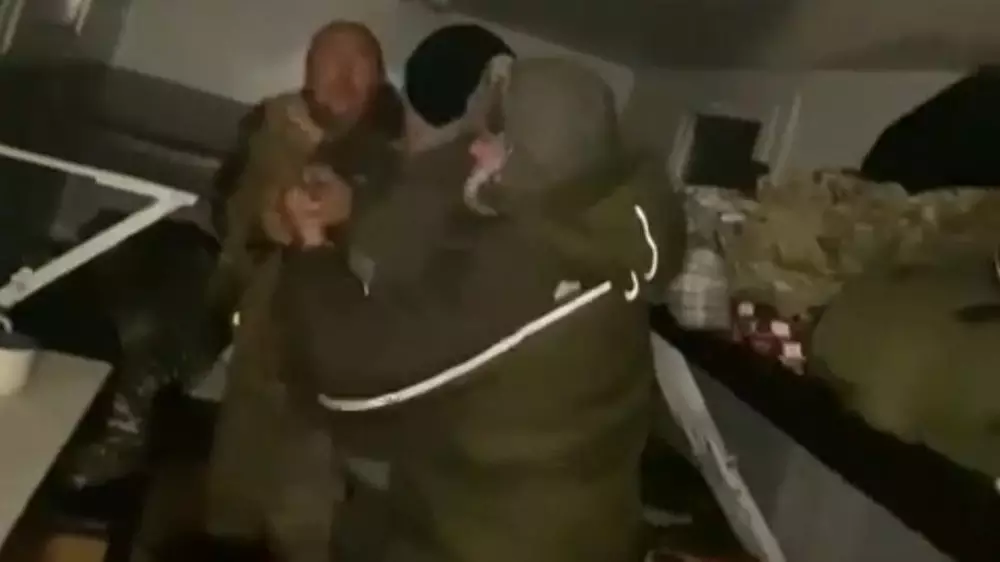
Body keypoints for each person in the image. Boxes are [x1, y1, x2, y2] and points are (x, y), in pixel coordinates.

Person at [275, 57, 687, 562]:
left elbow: (351, 374)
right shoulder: (585, 220)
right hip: (556, 522)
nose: (474, 149)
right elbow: (452, 234)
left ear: (529, 160)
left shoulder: (531, 272)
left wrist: (311, 247)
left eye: (494, 139)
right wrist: (356, 211)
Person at [197, 20, 398, 562]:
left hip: (338, 362)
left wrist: (351, 216)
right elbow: (222, 211)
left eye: (360, 66)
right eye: (329, 63)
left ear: (380, 79)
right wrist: (263, 223)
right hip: (260, 341)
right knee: (233, 496)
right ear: (307, 72)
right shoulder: (267, 125)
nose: (344, 79)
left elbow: (410, 251)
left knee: (308, 514)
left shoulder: (401, 154)